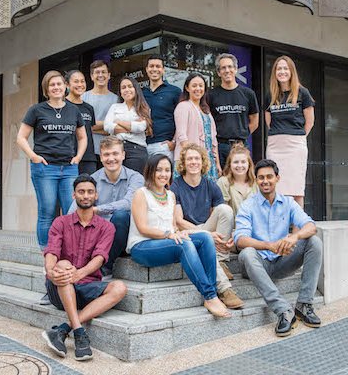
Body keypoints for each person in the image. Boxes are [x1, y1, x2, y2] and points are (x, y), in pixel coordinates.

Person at [127, 154, 231, 318]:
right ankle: (209, 295)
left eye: (167, 170)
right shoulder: (141, 193)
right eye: (159, 170)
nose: (163, 174)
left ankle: (212, 293)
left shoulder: (170, 196)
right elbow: (142, 227)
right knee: (184, 244)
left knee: (204, 237)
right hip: (143, 246)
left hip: (167, 243)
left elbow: (174, 226)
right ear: (150, 172)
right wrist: (169, 234)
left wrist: (195, 232)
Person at [42, 174, 127, 361]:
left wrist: (79, 274)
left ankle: (63, 329)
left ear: (96, 195)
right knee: (63, 266)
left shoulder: (106, 227)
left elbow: (99, 258)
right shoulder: (60, 222)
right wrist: (50, 271)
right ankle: (80, 333)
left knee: (119, 288)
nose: (85, 195)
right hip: (60, 288)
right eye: (81, 192)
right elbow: (52, 251)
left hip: (88, 286)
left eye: (90, 192)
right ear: (74, 195)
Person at [234, 159, 322, 337]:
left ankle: (304, 304)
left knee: (314, 242)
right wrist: (269, 246)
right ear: (256, 180)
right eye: (261, 178)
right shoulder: (248, 205)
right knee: (247, 253)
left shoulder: (288, 203)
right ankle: (283, 310)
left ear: (277, 178)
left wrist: (294, 236)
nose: (265, 181)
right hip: (256, 264)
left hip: (281, 262)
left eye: (269, 177)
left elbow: (310, 225)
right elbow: (240, 239)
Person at [17, 70, 88, 250]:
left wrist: (78, 157)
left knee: (71, 211)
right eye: (52, 85)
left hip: (69, 168)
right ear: (46, 89)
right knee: (47, 211)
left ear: (65, 86)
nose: (56, 87)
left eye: (59, 84)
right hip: (45, 168)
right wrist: (33, 156)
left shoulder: (73, 110)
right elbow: (21, 137)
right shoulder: (36, 110)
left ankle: (70, 250)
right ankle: (46, 252)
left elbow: (82, 137)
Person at [171, 143, 243, 308]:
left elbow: (218, 215)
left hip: (205, 227)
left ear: (203, 162)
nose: (193, 162)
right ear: (183, 162)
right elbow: (179, 220)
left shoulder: (210, 184)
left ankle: (221, 259)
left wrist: (209, 232)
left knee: (225, 209)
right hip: (186, 231)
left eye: (197, 158)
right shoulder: (176, 186)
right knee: (203, 238)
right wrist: (206, 234)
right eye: (189, 158)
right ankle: (225, 289)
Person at [69, 136, 144, 279]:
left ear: (123, 155)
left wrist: (96, 210)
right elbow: (73, 210)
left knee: (121, 215)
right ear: (101, 157)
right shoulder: (93, 179)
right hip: (98, 237)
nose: (111, 158)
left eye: (115, 154)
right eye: (106, 154)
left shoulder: (136, 178)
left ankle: (105, 268)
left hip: (124, 236)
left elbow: (128, 203)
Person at [265, 55, 315, 208]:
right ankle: (278, 226)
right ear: (275, 72)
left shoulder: (302, 92)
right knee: (275, 186)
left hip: (295, 145)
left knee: (296, 188)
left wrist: (297, 136)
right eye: (279, 69)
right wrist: (279, 135)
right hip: (275, 145)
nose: (282, 72)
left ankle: (298, 228)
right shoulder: (271, 94)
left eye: (285, 68)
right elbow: (269, 121)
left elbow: (310, 122)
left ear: (291, 71)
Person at [208, 53, 259, 168]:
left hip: (241, 145)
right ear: (218, 72)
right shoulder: (211, 95)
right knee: (220, 181)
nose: (227, 70)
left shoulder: (248, 94)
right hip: (220, 146)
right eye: (223, 68)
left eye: (230, 67)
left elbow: (254, 121)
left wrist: (241, 135)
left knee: (241, 179)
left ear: (236, 69)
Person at [174, 72, 221, 181]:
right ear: (187, 88)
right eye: (194, 85)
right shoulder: (183, 106)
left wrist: (217, 162)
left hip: (208, 162)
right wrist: (193, 158)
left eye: (201, 86)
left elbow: (213, 140)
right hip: (191, 162)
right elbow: (182, 136)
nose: (198, 89)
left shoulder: (206, 111)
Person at [104, 76, 152, 174]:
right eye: (123, 87)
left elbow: (140, 127)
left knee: (134, 184)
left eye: (130, 86)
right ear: (120, 92)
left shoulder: (143, 108)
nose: (127, 90)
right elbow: (107, 126)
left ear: (136, 89)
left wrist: (118, 121)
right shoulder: (115, 107)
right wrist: (131, 127)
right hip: (116, 149)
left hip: (137, 150)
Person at [142, 54, 181, 160]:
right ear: (146, 69)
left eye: (158, 66)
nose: (154, 69)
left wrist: (174, 141)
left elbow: (181, 119)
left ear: (163, 70)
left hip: (164, 146)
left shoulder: (175, 91)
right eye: (151, 66)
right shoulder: (140, 93)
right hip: (142, 145)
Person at [83, 60, 118, 166]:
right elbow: (82, 126)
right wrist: (107, 125)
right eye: (97, 72)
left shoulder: (116, 100)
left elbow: (116, 128)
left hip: (109, 152)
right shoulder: (83, 98)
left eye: (103, 72)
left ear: (109, 75)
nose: (100, 75)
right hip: (87, 151)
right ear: (91, 76)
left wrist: (91, 127)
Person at [65, 70, 97, 174]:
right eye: (76, 81)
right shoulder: (62, 105)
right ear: (67, 84)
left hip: (88, 158)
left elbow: (90, 130)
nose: (80, 85)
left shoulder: (89, 108)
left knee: (88, 188)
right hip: (67, 157)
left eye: (82, 81)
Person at [217, 143, 258, 218]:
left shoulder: (256, 183)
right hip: (231, 227)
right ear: (230, 164)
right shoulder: (223, 182)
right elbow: (223, 212)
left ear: (249, 164)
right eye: (236, 162)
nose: (239, 165)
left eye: (243, 162)